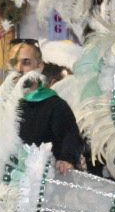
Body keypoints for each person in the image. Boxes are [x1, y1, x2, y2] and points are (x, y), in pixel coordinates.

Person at [9, 40, 85, 170]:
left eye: (26, 62)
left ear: (39, 66)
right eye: (13, 63)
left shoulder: (55, 105)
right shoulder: (4, 104)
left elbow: (69, 136)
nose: (18, 69)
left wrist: (66, 159)